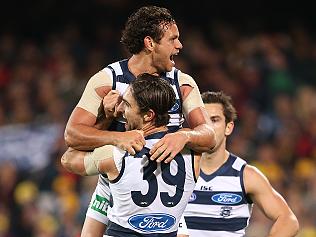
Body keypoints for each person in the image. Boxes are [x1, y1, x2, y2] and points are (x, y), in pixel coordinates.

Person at [63, 5, 216, 237]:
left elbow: (209, 136)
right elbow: (72, 135)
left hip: (167, 190)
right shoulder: (108, 80)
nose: (180, 45)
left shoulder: (183, 82)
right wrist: (117, 135)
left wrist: (184, 135)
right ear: (150, 43)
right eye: (173, 39)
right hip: (116, 185)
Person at [62, 74, 201, 236]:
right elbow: (208, 136)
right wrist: (185, 134)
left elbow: (68, 159)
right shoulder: (193, 154)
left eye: (127, 105)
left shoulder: (116, 154)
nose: (120, 110)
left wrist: (108, 123)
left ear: (148, 115)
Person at [178, 91, 299, 237]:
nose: (208, 127)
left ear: (228, 127)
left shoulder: (246, 175)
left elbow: (289, 220)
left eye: (215, 120)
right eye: (202, 121)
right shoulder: (176, 170)